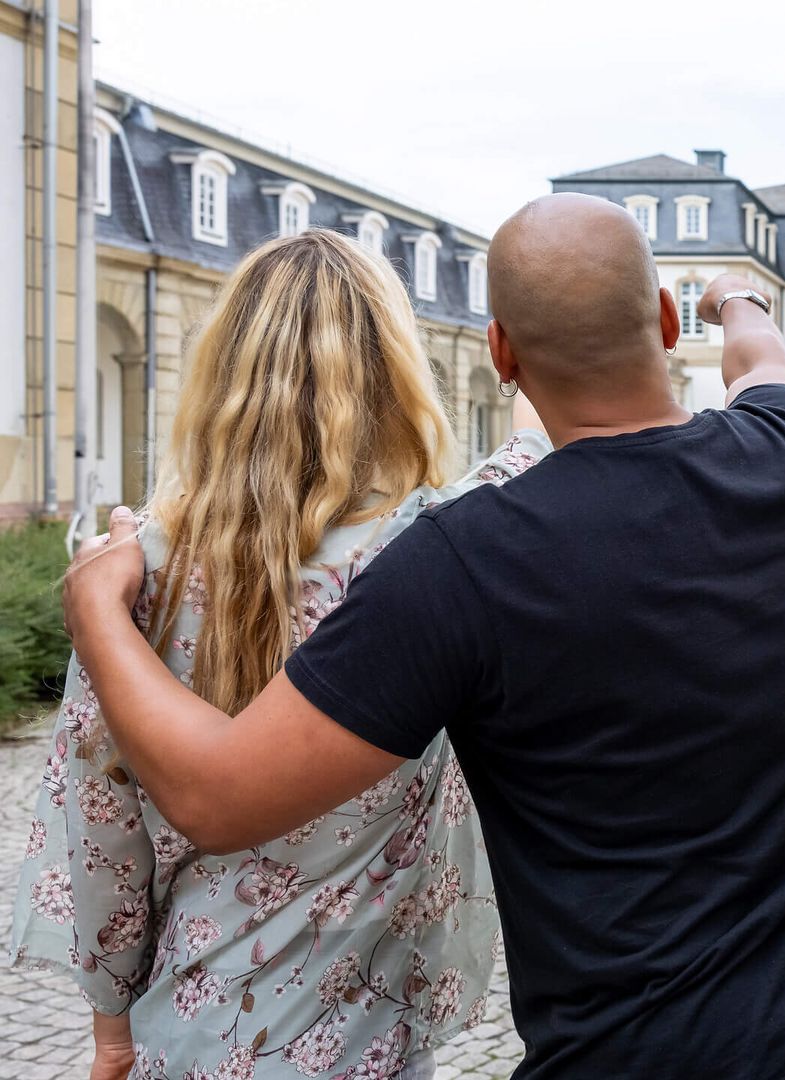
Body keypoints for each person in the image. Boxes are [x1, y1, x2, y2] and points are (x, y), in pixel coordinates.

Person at [60, 193, 785, 1080]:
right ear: (664, 321)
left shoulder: (459, 565)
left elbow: (216, 798)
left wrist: (96, 613)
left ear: (501, 354)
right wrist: (739, 301)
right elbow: (761, 359)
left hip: (635, 1055)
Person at [12, 228, 550, 1079]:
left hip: (190, 1024)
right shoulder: (435, 551)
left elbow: (100, 831)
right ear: (395, 377)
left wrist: (111, 1036)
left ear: (221, 374)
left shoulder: (129, 580)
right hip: (367, 1036)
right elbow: (535, 443)